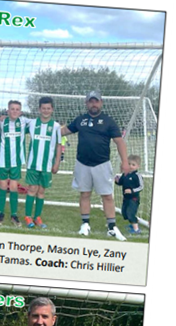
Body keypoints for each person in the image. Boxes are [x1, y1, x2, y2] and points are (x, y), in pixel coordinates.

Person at [61, 90, 130, 241]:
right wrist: (48, 130)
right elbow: (64, 131)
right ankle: (85, 224)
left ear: (101, 103)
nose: (93, 104)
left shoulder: (109, 121)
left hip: (102, 164)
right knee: (85, 194)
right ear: (86, 103)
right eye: (91, 101)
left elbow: (119, 141)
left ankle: (111, 227)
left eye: (96, 101)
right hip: (82, 163)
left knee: (107, 195)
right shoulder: (80, 120)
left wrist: (125, 162)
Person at [23, 96, 62, 228]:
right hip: (33, 164)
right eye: (43, 108)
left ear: (52, 110)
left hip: (47, 165)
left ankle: (37, 217)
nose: (46, 111)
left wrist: (57, 163)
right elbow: (17, 122)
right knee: (32, 189)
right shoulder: (32, 123)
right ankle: (28, 217)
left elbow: (58, 145)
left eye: (48, 108)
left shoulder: (56, 126)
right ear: (39, 109)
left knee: (41, 191)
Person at [0, 100, 29, 226]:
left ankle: (14, 215)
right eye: (12, 109)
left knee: (14, 187)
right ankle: (1, 213)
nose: (14, 111)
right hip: (3, 160)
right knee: (3, 186)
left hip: (16, 161)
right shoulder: (1, 122)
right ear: (7, 110)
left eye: (17, 109)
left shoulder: (24, 122)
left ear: (20, 112)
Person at [115, 154, 144, 235]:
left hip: (133, 199)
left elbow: (141, 187)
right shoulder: (125, 174)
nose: (131, 166)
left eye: (133, 165)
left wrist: (132, 190)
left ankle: (136, 229)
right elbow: (121, 182)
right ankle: (134, 222)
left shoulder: (137, 176)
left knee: (130, 213)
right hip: (126, 198)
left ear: (138, 166)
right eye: (129, 164)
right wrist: (117, 180)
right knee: (124, 213)